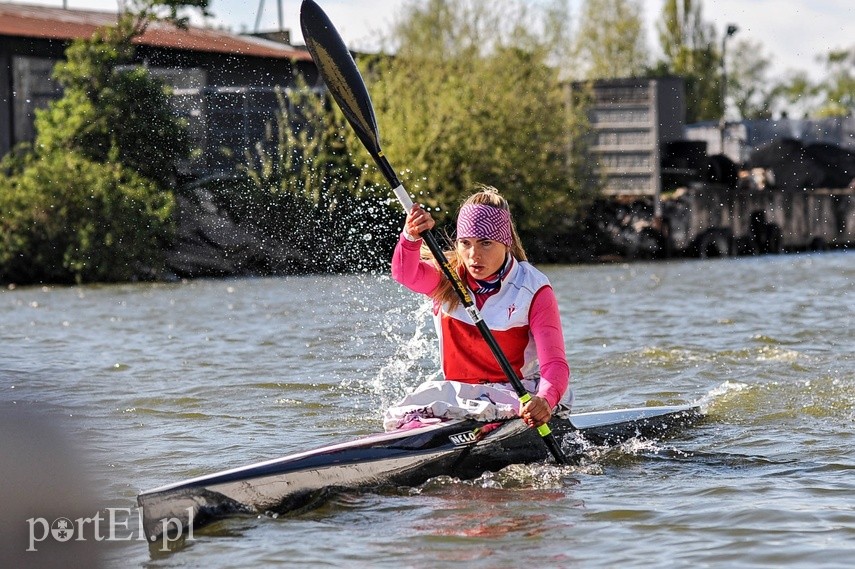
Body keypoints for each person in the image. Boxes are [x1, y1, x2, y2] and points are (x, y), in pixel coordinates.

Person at [383, 185, 571, 432]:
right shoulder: (447, 276)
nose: (473, 255)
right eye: (465, 243)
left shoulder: (533, 289)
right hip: (462, 395)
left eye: (485, 243)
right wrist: (410, 237)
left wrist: (545, 400)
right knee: (403, 419)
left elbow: (554, 364)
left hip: (520, 395)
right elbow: (404, 274)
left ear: (505, 243)